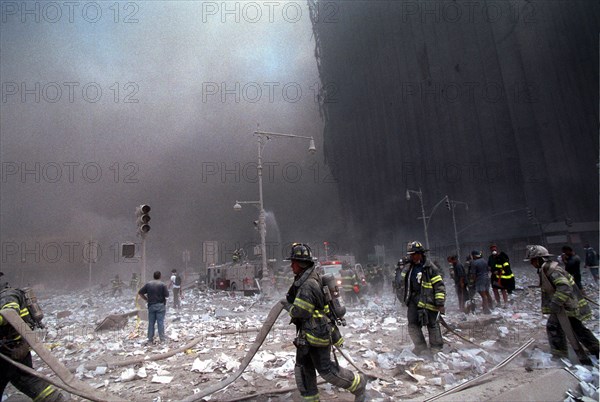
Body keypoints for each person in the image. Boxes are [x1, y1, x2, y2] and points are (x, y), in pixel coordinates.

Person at [281, 243, 367, 401]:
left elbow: (301, 311)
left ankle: (359, 385)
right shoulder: (306, 278)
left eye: (293, 262)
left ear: (301, 263)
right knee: (304, 369)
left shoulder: (308, 284)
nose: (291, 265)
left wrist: (288, 306)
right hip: (307, 335)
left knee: (327, 371)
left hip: (316, 334)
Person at [524, 245, 599, 362]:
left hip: (567, 306)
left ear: (540, 259)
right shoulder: (546, 269)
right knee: (575, 328)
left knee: (558, 327)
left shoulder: (552, 270)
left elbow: (564, 287)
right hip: (565, 306)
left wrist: (555, 303)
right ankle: (591, 351)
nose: (531, 263)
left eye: (532, 260)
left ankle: (561, 356)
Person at [0, 286, 65, 401]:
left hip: (11, 350)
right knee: (27, 379)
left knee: (27, 379)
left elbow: (10, 313)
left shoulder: (7, 296)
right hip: (17, 348)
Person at [397, 241, 446, 354]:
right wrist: (403, 298)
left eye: (414, 254)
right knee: (413, 325)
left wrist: (440, 302)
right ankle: (420, 347)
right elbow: (402, 283)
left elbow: (439, 285)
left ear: (420, 254)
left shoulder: (430, 268)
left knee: (432, 324)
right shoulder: (409, 267)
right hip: (413, 301)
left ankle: (436, 348)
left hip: (429, 300)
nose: (412, 256)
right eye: (411, 254)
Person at [138, 271, 169, 344]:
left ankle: (150, 340)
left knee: (151, 323)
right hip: (160, 306)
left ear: (153, 276)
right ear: (160, 276)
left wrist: (146, 299)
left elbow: (140, 292)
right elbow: (167, 295)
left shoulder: (148, 284)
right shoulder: (162, 285)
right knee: (160, 322)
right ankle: (162, 339)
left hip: (151, 305)